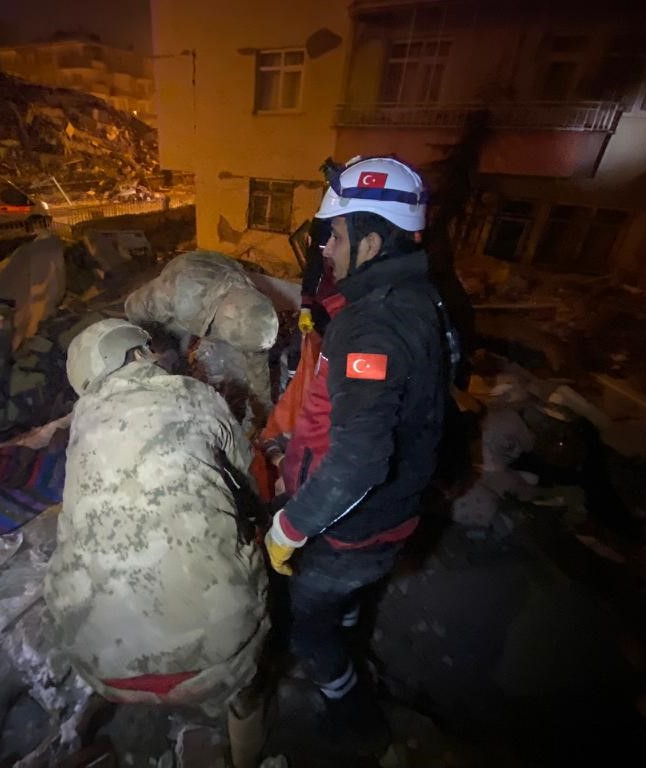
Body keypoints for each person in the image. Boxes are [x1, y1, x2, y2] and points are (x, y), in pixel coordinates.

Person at [263, 156, 453, 753]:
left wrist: (290, 527)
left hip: (353, 527)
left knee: (308, 626)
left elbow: (360, 460)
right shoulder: (420, 296)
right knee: (347, 601)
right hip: (393, 513)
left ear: (371, 243)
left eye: (338, 236)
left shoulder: (371, 328)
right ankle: (349, 640)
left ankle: (354, 716)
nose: (327, 249)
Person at [44, 319, 268, 716]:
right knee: (256, 539)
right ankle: (245, 713)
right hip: (216, 652)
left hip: (94, 663)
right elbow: (248, 476)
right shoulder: (189, 393)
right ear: (138, 352)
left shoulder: (82, 418)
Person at [125, 250, 279, 423]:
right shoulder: (176, 295)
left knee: (236, 369)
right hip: (185, 285)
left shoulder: (254, 313)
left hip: (219, 276)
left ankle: (233, 414)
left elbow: (257, 367)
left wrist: (264, 411)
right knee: (171, 358)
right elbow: (134, 309)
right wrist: (148, 348)